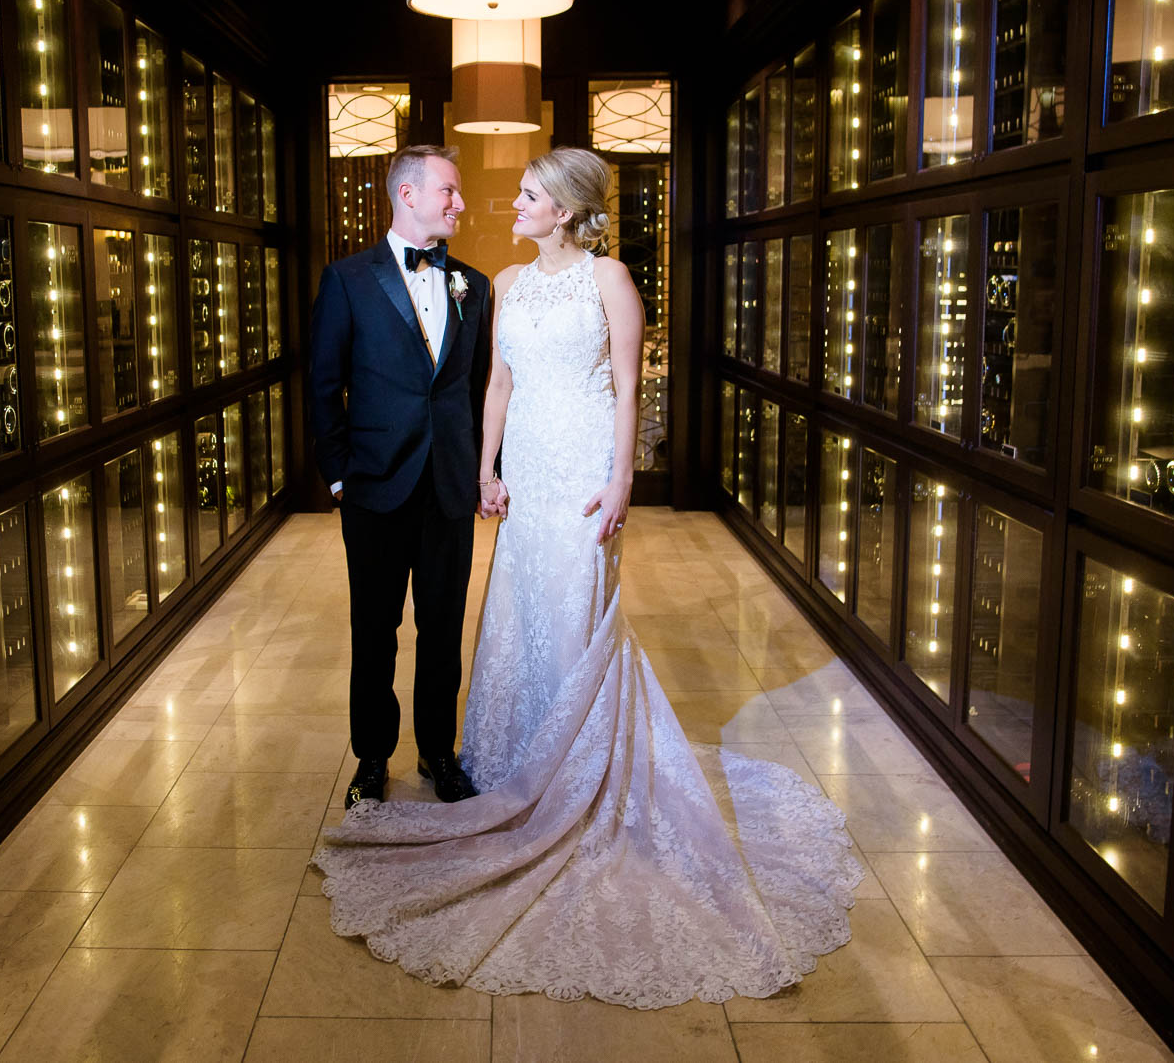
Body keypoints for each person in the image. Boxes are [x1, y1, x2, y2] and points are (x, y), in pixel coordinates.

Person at [311, 147, 862, 1008]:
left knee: (507, 619)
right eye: (458, 189)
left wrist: (620, 479)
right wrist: (480, 466)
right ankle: (394, 758)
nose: (495, 201)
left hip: (566, 480)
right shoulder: (486, 283)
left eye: (525, 193)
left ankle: (488, 762)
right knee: (438, 620)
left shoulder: (594, 279)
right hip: (480, 478)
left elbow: (626, 390)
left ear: (564, 208)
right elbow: (479, 382)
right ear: (410, 195)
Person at [308, 144, 491, 809]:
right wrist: (337, 477)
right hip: (375, 486)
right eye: (449, 191)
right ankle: (372, 757)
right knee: (374, 628)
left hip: (447, 485)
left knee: (443, 628)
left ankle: (439, 753)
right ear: (408, 194)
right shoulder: (348, 279)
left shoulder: (475, 284)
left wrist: (478, 471)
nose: (460, 203)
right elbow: (324, 384)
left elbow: (472, 389)